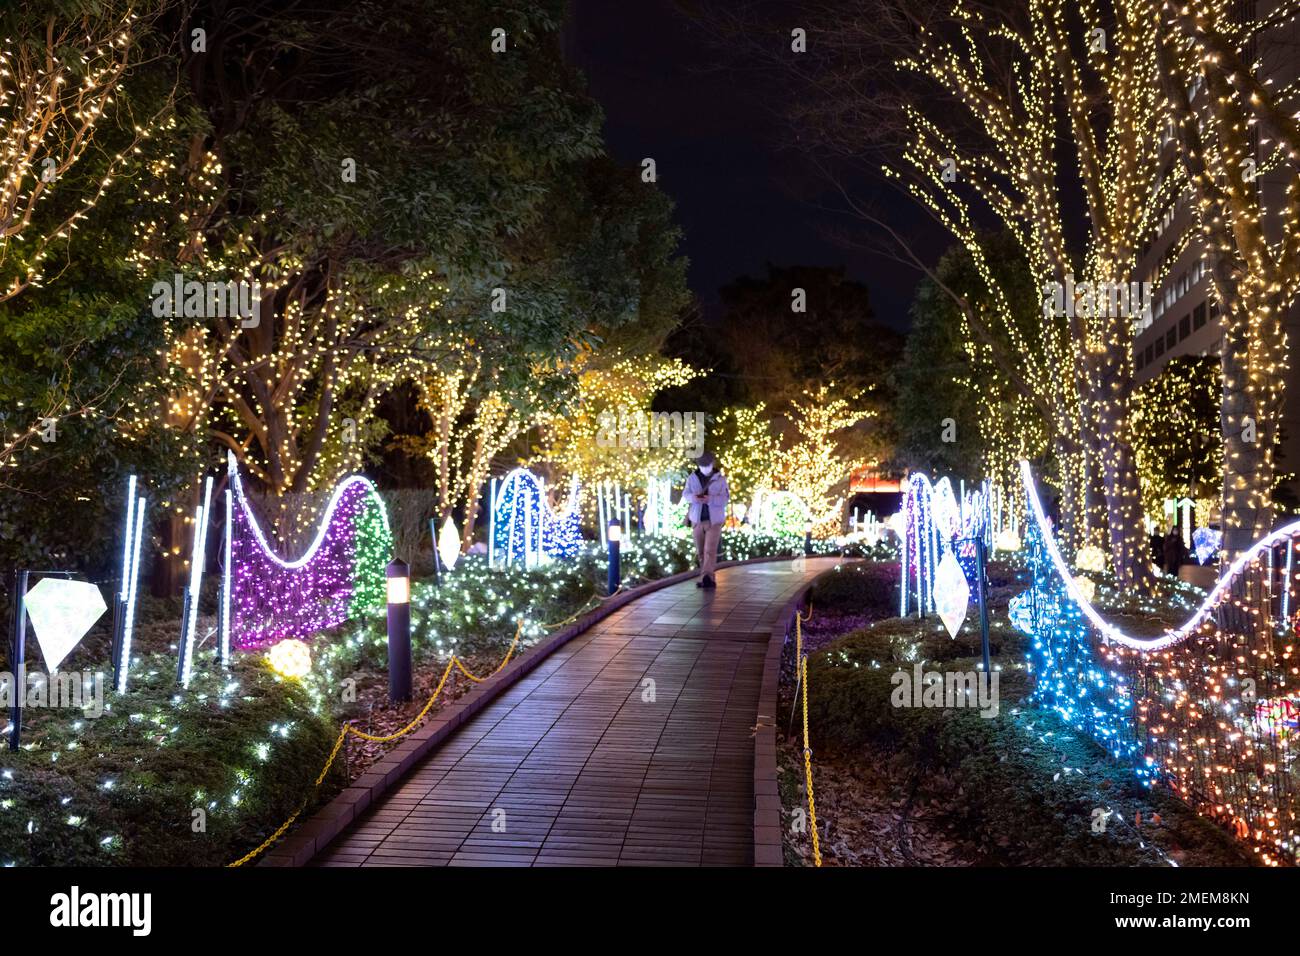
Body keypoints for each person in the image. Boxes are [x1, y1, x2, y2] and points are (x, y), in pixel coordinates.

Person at [684, 451, 729, 589]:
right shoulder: (692, 478)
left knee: (709, 550)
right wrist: (694, 498)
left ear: (712, 464)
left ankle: (707, 577)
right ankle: (706, 577)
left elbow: (725, 499)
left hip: (714, 521)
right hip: (697, 520)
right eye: (702, 465)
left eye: (707, 465)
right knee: (701, 552)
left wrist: (710, 500)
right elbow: (685, 494)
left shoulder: (720, 479)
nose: (705, 468)